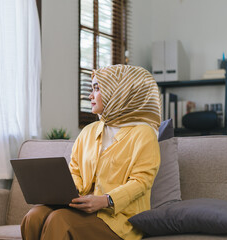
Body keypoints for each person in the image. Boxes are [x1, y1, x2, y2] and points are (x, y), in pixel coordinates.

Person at [21, 64, 161, 240]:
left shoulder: (143, 133)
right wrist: (71, 195)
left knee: (59, 221)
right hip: (81, 209)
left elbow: (142, 181)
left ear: (118, 92)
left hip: (120, 219)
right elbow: (75, 170)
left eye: (97, 88)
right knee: (33, 216)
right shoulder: (88, 131)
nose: (90, 96)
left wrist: (105, 200)